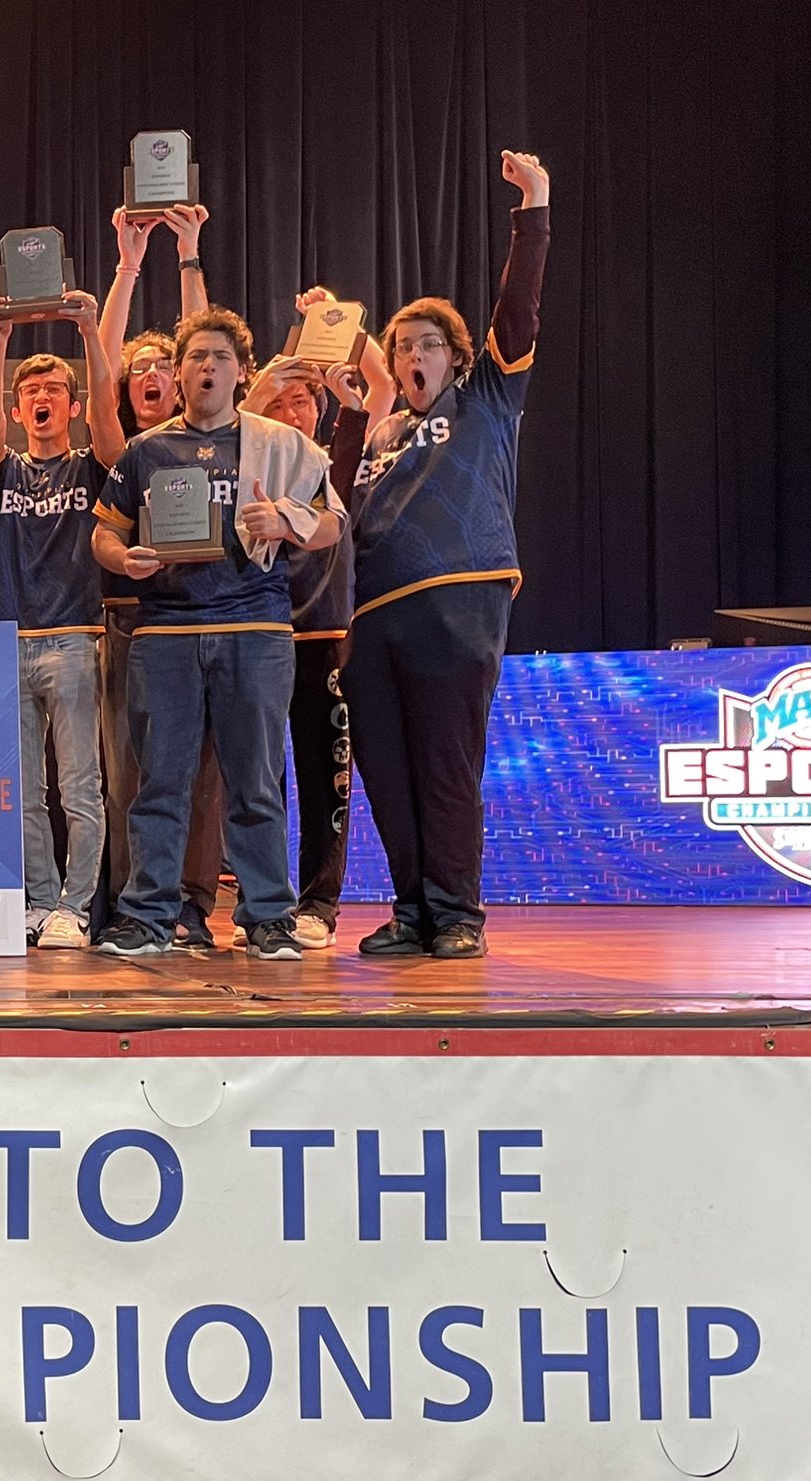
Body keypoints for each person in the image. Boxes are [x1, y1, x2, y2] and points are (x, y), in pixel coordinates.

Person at [345, 150, 552, 960]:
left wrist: (533, 208)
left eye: (427, 343)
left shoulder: (487, 399)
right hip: (373, 614)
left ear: (455, 355)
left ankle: (458, 913)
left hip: (457, 596)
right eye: (402, 347)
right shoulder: (381, 434)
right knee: (387, 773)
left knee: (444, 764)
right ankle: (412, 911)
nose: (413, 356)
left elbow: (519, 309)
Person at [90, 307, 346, 962]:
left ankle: (268, 919)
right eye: (197, 357)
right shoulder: (146, 451)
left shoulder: (281, 444)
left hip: (255, 628)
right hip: (166, 632)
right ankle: (147, 916)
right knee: (160, 782)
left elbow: (331, 524)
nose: (208, 366)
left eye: (221, 357)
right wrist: (125, 560)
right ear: (178, 373)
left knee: (256, 782)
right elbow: (105, 532)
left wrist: (286, 521)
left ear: (241, 373)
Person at [238, 295, 399, 949]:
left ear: (321, 406)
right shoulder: (244, 459)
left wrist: (340, 320)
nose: (290, 413)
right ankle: (265, 901)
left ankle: (319, 905)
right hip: (259, 633)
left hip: (327, 637)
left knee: (325, 778)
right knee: (259, 779)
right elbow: (236, 416)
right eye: (278, 404)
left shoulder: (340, 455)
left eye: (302, 401)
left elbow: (383, 386)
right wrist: (265, 383)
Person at [0, 289, 118, 951]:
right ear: (17, 408)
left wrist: (89, 335)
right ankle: (36, 901)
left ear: (72, 405)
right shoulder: (3, 472)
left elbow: (112, 426)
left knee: (80, 787)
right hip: (10, 640)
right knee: (24, 791)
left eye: (54, 389)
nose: (41, 396)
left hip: (75, 638)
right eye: (30, 390)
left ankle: (76, 906)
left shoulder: (92, 467)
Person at [94, 203, 219, 943]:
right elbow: (102, 356)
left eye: (162, 368)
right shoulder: (120, 449)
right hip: (129, 619)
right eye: (137, 370)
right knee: (129, 773)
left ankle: (192, 905)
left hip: (204, 610)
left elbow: (203, 342)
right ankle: (135, 904)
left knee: (202, 772)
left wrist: (190, 253)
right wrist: (129, 264)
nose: (150, 376)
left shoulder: (207, 436)